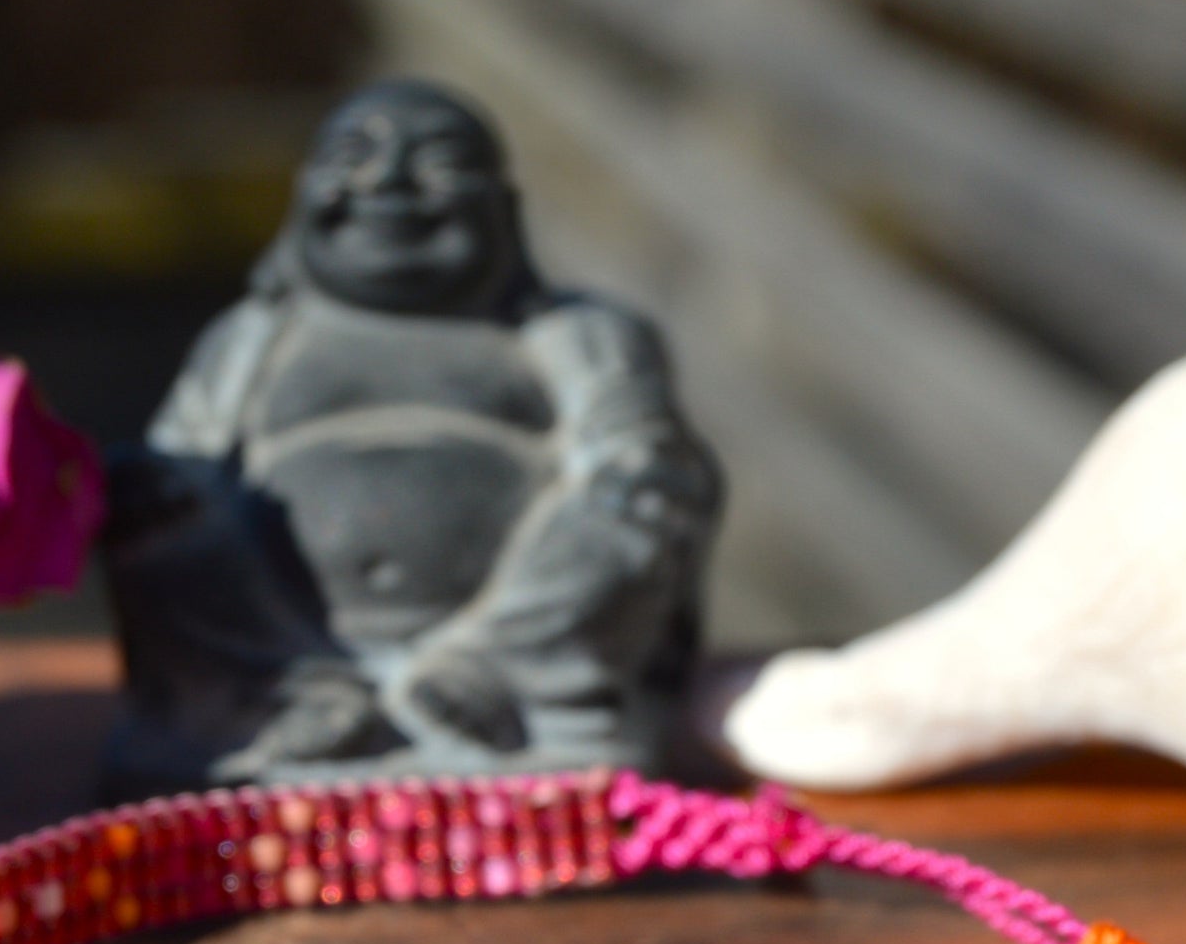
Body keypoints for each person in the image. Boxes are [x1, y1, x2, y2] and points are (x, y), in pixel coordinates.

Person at [102, 78, 722, 791]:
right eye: (353, 158)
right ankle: (298, 698)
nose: (389, 185)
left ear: (503, 208)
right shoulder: (252, 337)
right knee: (161, 499)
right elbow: (184, 457)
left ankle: (489, 679)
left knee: (646, 492)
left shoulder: (577, 334)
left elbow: (645, 465)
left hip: (518, 661)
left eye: (439, 163)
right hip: (273, 652)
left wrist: (496, 659)